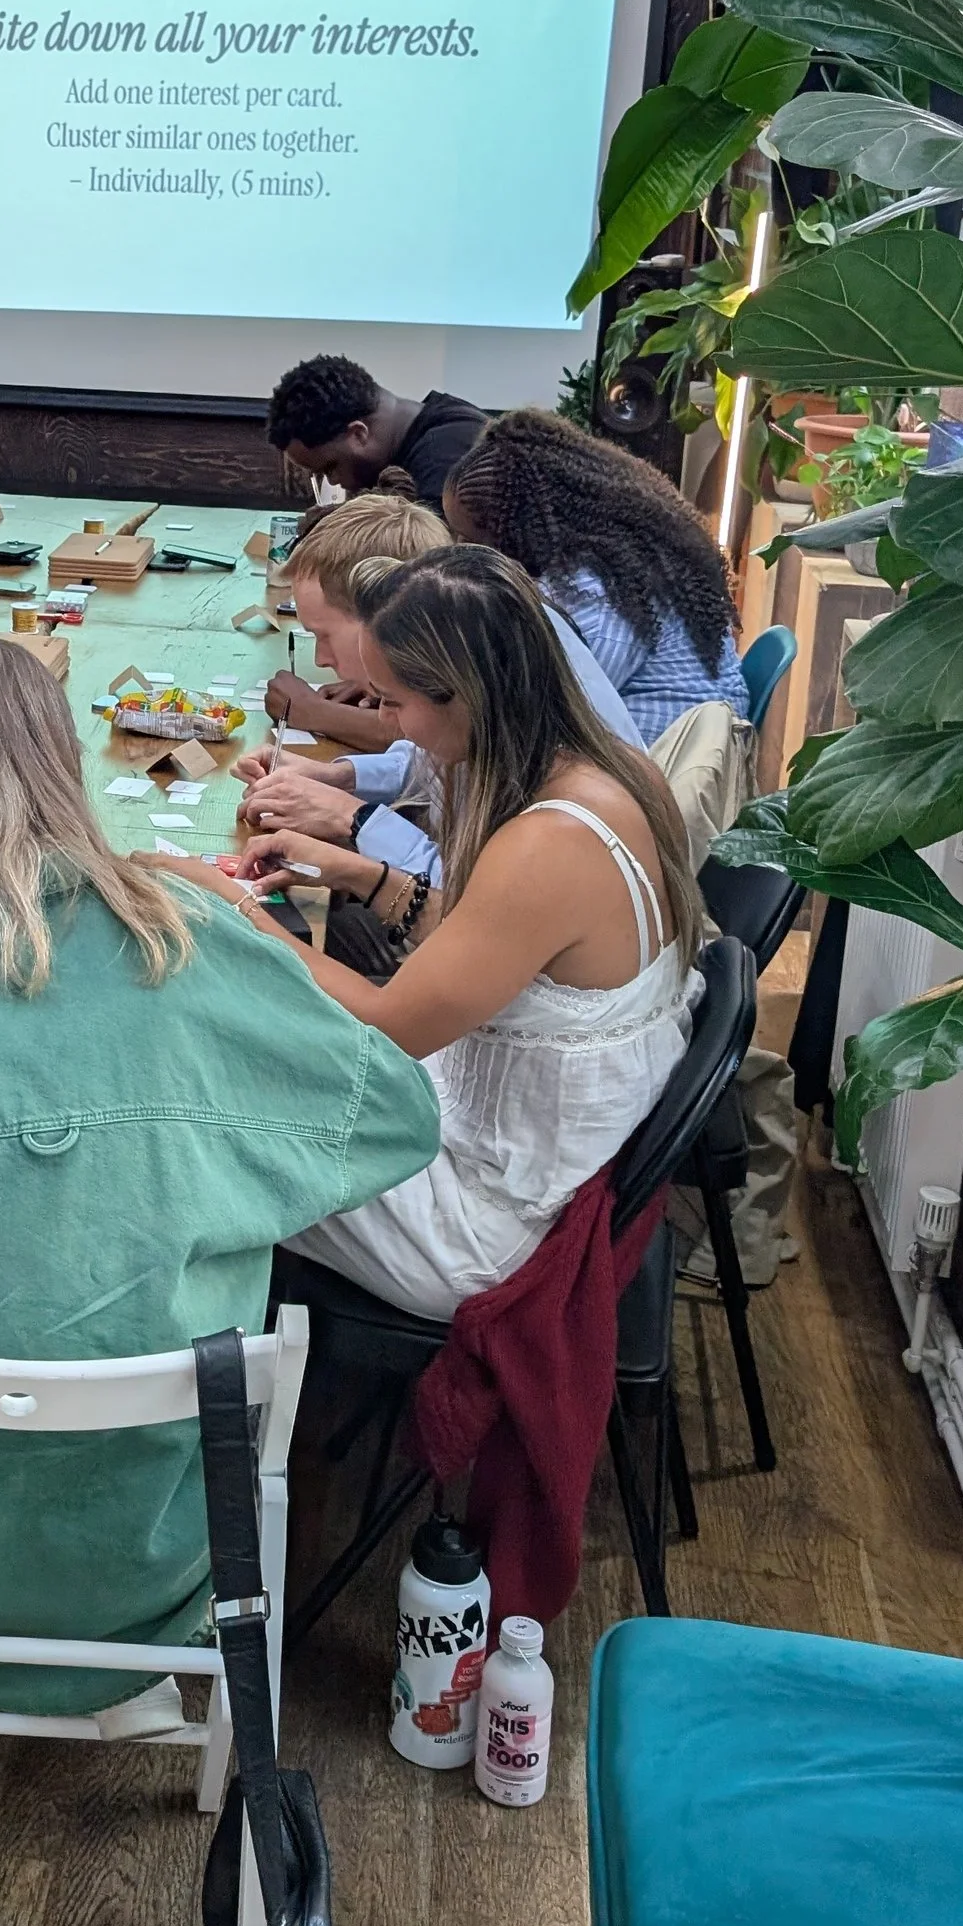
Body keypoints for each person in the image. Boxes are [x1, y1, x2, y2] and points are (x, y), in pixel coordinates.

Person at [0, 638, 440, 1717]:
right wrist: (192, 1173)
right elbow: (396, 1117)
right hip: (155, 1545)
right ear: (64, 768)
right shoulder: (183, 941)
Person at [222, 546, 701, 1323]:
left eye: (392, 702)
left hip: (487, 1227)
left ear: (465, 696)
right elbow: (508, 952)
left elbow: (387, 1028)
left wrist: (229, 908)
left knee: (199, 1134)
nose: (384, 726)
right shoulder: (608, 773)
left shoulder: (547, 843)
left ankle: (201, 1395)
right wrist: (360, 875)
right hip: (529, 1160)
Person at [241, 491, 644, 878]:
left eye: (323, 635)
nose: (321, 659)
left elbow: (462, 888)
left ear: (385, 619)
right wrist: (340, 776)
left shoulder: (503, 676)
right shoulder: (477, 634)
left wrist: (350, 817)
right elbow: (426, 762)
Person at [440, 410, 751, 741]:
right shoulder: (619, 556)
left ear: (518, 532)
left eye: (470, 539)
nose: (459, 550)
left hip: (672, 768)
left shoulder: (598, 596)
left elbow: (535, 722)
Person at [265, 354, 487, 504]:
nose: (332, 482)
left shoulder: (444, 464)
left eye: (331, 468)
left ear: (359, 434)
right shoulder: (430, 432)